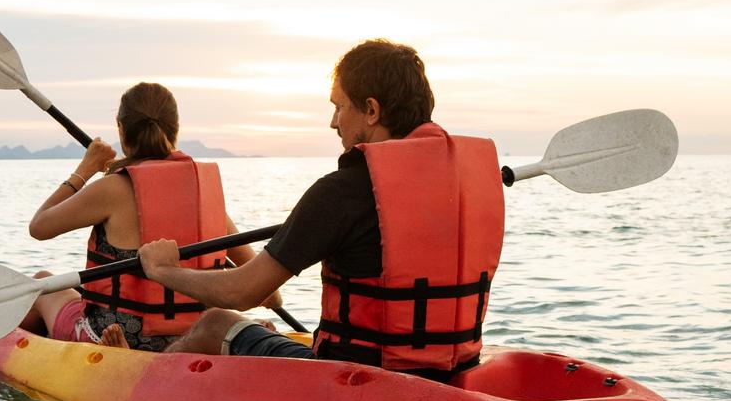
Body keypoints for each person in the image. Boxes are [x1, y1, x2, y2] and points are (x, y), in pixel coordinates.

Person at [137, 40, 503, 378]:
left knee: (214, 323)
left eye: (339, 106)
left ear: (371, 110)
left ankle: (140, 383)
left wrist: (162, 268)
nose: (333, 121)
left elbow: (240, 293)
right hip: (451, 372)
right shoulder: (468, 186)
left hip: (352, 380)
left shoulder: (341, 192)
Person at [21, 82, 277, 351]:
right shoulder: (204, 195)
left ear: (121, 128)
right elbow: (269, 294)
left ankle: (26, 354)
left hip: (112, 336)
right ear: (175, 128)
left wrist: (85, 169)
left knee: (41, 283)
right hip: (192, 339)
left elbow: (39, 227)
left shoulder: (113, 188)